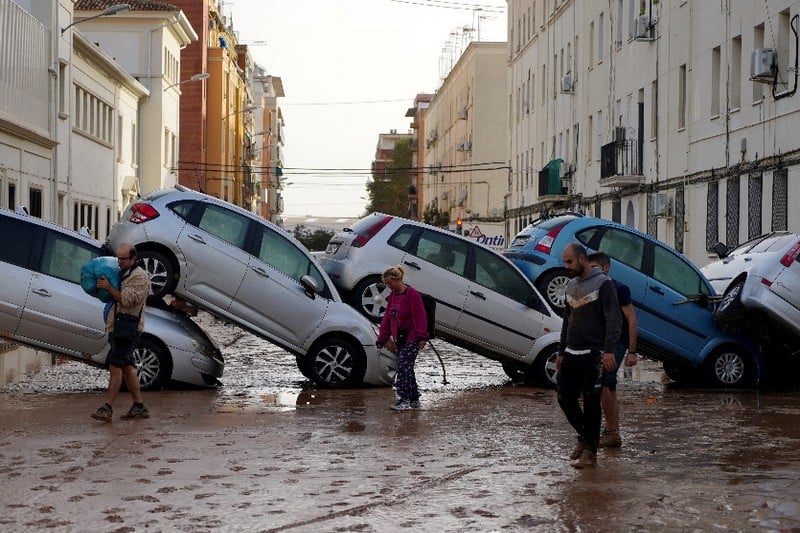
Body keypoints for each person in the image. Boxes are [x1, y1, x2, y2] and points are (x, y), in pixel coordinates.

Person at [556, 243, 621, 468]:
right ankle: (585, 437)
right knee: (564, 397)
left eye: (570, 262)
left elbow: (614, 318)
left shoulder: (604, 284)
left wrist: (609, 350)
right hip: (571, 352)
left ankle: (590, 453)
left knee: (592, 403)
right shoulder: (571, 285)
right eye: (565, 262)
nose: (566, 267)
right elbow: (567, 320)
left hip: (595, 354)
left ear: (582, 258)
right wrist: (561, 351)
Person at [91, 243, 150, 422]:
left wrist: (108, 287)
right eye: (118, 258)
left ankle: (107, 408)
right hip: (118, 326)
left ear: (133, 259)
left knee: (115, 367)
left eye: (124, 258)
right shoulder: (123, 273)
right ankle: (139, 406)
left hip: (128, 328)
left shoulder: (139, 277)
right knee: (127, 367)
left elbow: (126, 300)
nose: (120, 261)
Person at [588, 251, 638, 449]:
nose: (591, 272)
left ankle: (611, 432)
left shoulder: (619, 288)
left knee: (603, 384)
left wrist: (632, 351)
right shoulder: (591, 288)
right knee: (609, 386)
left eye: (595, 268)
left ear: (606, 267)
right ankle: (613, 432)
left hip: (616, 342)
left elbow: (632, 319)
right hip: (600, 342)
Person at [375, 265, 428, 411]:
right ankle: (414, 399)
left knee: (403, 365)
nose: (388, 286)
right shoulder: (392, 296)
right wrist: (382, 338)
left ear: (398, 279)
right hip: (399, 338)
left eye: (390, 283)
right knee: (407, 368)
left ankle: (403, 399)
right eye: (386, 284)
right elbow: (387, 318)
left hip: (413, 337)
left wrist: (422, 337)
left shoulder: (412, 294)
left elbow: (420, 316)